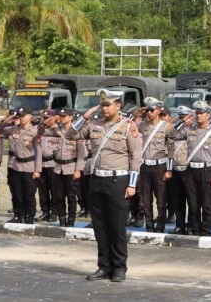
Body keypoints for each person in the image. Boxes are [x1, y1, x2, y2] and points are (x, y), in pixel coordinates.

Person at [65, 89, 141, 282]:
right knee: (100, 226)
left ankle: (119, 267)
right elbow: (70, 134)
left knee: (116, 226)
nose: (104, 108)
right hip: (97, 179)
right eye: (102, 105)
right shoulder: (94, 124)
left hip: (118, 181)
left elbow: (135, 156)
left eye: (108, 105)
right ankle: (104, 266)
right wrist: (84, 116)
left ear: (118, 106)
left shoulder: (128, 126)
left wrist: (132, 184)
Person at [169, 101, 211, 237]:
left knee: (207, 204)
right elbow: (172, 135)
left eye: (201, 113)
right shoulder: (189, 130)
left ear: (208, 115)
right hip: (191, 170)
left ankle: (206, 231)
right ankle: (194, 229)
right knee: (193, 204)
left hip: (207, 170)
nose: (198, 116)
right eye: (197, 113)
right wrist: (182, 122)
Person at [38, 108, 85, 227]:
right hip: (58, 167)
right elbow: (40, 133)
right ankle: (62, 219)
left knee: (71, 196)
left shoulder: (77, 131)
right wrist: (45, 122)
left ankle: (71, 220)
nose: (62, 118)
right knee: (59, 196)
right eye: (61, 116)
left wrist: (78, 170)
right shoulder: (56, 130)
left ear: (71, 117)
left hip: (71, 167)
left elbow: (81, 153)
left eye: (64, 116)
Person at [0, 106, 42, 224]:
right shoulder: (13, 129)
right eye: (19, 116)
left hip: (29, 166)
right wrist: (6, 120)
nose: (21, 118)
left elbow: (39, 151)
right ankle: (20, 216)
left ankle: (30, 217)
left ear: (30, 116)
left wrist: (37, 170)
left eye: (23, 116)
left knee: (29, 194)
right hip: (15, 166)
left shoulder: (35, 131)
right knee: (17, 193)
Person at [138, 97, 173, 233]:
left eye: (152, 110)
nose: (149, 112)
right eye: (147, 110)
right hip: (145, 166)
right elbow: (129, 125)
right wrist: (137, 113)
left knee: (161, 199)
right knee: (146, 199)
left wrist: (169, 169)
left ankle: (160, 227)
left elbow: (171, 148)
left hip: (160, 166)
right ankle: (149, 226)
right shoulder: (142, 125)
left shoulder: (166, 127)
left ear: (159, 111)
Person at [168, 106, 192, 235]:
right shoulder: (176, 131)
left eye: (185, 117)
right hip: (176, 169)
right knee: (178, 200)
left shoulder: (194, 130)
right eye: (181, 117)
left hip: (189, 170)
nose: (183, 120)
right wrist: (180, 123)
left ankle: (191, 226)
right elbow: (171, 136)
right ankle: (179, 225)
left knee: (192, 201)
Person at [36, 109, 59, 223]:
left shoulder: (58, 130)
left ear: (54, 118)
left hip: (53, 163)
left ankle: (55, 212)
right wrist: (43, 124)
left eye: (48, 118)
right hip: (41, 163)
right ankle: (45, 211)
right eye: (44, 118)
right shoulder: (41, 130)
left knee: (54, 190)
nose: (46, 120)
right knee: (42, 190)